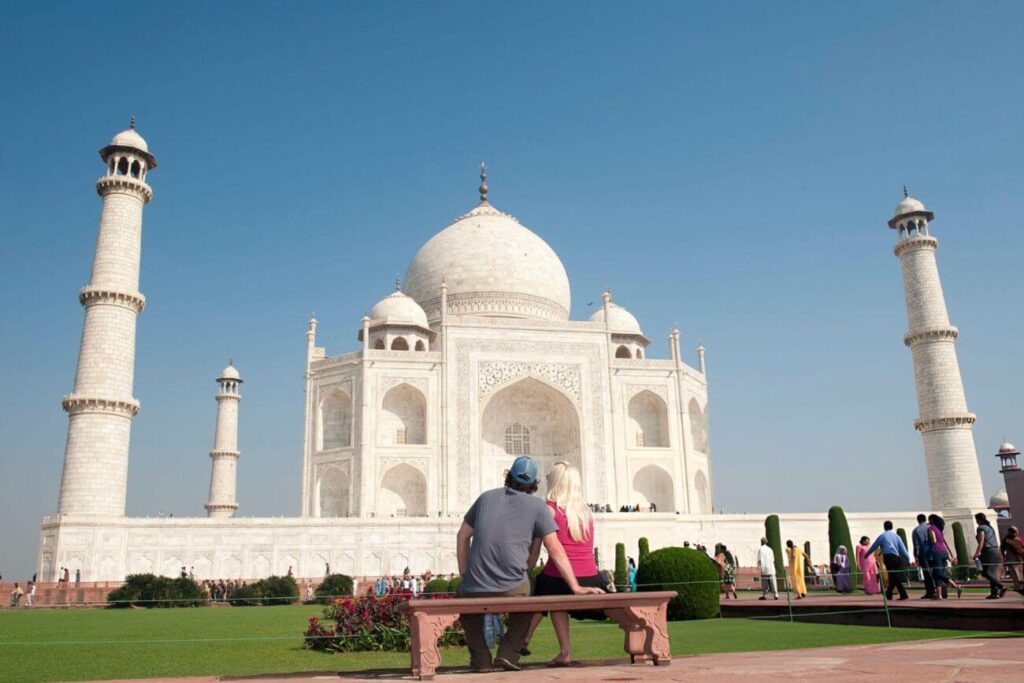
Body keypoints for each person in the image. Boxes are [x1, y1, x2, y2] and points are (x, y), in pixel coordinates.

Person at [456, 456, 601, 673]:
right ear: (534, 484)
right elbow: (555, 549)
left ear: (508, 476)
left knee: (465, 599)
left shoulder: (485, 498)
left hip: (474, 586)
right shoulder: (537, 506)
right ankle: (508, 652)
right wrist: (575, 587)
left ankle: (481, 660)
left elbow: (462, 536)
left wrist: (464, 572)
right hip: (513, 587)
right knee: (529, 590)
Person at [524, 462, 608, 668]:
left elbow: (535, 549)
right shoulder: (586, 512)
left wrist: (526, 571)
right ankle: (561, 651)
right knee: (553, 594)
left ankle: (526, 637)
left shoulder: (549, 510)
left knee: (545, 590)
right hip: (591, 575)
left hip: (560, 577)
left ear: (554, 482)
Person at [866, 521, 912, 600]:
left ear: (884, 527)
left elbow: (874, 546)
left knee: (893, 576)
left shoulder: (882, 536)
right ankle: (891, 594)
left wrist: (867, 554)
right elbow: (903, 549)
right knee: (893, 576)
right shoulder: (897, 536)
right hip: (896, 557)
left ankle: (895, 594)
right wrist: (908, 559)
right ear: (892, 526)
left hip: (888, 558)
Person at [926, 514, 961, 600]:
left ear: (931, 520)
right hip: (944, 552)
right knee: (938, 573)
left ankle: (956, 586)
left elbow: (933, 541)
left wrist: (930, 552)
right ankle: (939, 595)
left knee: (938, 573)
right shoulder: (939, 529)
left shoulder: (931, 529)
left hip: (936, 552)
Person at [972, 513, 1005, 599]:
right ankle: (995, 593)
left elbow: (981, 541)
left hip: (988, 551)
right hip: (995, 550)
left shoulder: (981, 528)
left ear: (979, 520)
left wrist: (977, 553)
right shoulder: (990, 527)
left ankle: (1001, 586)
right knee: (992, 573)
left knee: (985, 572)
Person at [911, 513, 936, 599]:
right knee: (936, 571)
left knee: (926, 573)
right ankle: (940, 590)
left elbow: (916, 545)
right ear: (925, 519)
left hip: (923, 553)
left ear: (918, 520)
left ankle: (930, 591)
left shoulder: (916, 530)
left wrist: (916, 557)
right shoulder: (931, 527)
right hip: (933, 552)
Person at [1000, 526, 1024, 596]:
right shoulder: (1007, 540)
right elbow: (1002, 549)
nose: (1016, 533)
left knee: (1020, 574)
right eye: (1015, 532)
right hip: (1012, 560)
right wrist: (1004, 558)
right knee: (1016, 575)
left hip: (1020, 560)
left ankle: (1020, 587)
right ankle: (1018, 588)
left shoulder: (1018, 539)